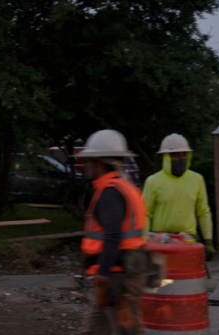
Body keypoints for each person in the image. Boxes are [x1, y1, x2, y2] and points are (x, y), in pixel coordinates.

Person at [79, 129, 149, 335]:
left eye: (89, 161)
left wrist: (102, 275)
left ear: (100, 162)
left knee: (128, 331)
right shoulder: (123, 187)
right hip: (117, 274)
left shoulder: (110, 193)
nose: (85, 166)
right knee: (93, 330)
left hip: (117, 279)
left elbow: (112, 237)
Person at [143, 134, 215, 258]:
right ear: (166, 157)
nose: (181, 158)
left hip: (188, 243)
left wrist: (208, 241)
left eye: (184, 154)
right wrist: (143, 242)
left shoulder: (197, 180)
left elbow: (203, 212)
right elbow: (144, 214)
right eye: (176, 155)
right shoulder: (153, 181)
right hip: (161, 244)